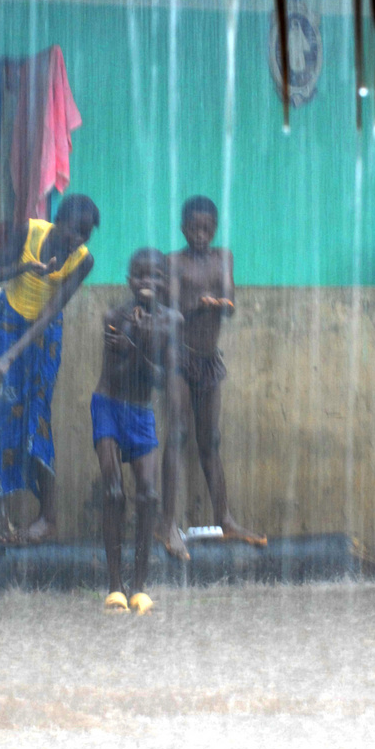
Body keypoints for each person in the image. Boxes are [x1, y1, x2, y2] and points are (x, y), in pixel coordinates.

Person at [0, 194, 100, 544]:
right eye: (73, 230)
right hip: (9, 321)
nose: (77, 239)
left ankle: (48, 517)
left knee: (37, 416)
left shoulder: (84, 260)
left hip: (44, 334)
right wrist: (25, 268)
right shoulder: (30, 233)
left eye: (85, 234)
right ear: (57, 221)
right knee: (2, 415)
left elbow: (50, 313)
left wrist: (10, 357)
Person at [157, 196, 267, 549]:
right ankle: (167, 524)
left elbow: (230, 304)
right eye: (193, 228)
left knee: (210, 442)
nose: (200, 234)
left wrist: (220, 304)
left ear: (215, 228)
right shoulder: (173, 261)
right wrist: (195, 306)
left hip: (208, 361)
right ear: (183, 228)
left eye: (206, 228)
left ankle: (225, 518)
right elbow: (165, 311)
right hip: (179, 358)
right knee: (176, 436)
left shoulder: (224, 257)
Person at [91, 248, 184, 614]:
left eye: (155, 276)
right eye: (140, 276)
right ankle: (115, 586)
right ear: (129, 281)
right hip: (109, 408)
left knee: (148, 496)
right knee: (114, 492)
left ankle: (139, 587)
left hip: (141, 413)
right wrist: (133, 341)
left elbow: (161, 379)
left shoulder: (172, 322)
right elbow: (115, 374)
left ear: (165, 282)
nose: (147, 282)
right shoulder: (114, 317)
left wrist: (141, 345)